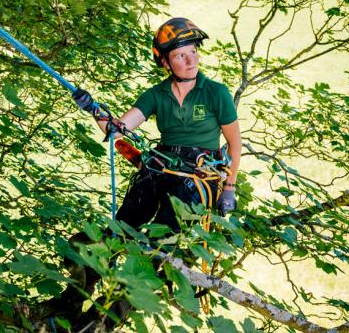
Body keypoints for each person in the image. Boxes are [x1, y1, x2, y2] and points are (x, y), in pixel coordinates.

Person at [74, 17, 241, 231]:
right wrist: (92, 109)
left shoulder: (216, 93)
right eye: (181, 55)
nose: (192, 61)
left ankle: (156, 258)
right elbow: (115, 131)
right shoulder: (156, 95)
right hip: (162, 168)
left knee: (165, 232)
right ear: (165, 62)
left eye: (193, 52)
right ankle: (97, 257)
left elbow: (234, 144)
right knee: (126, 220)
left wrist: (229, 188)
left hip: (197, 176)